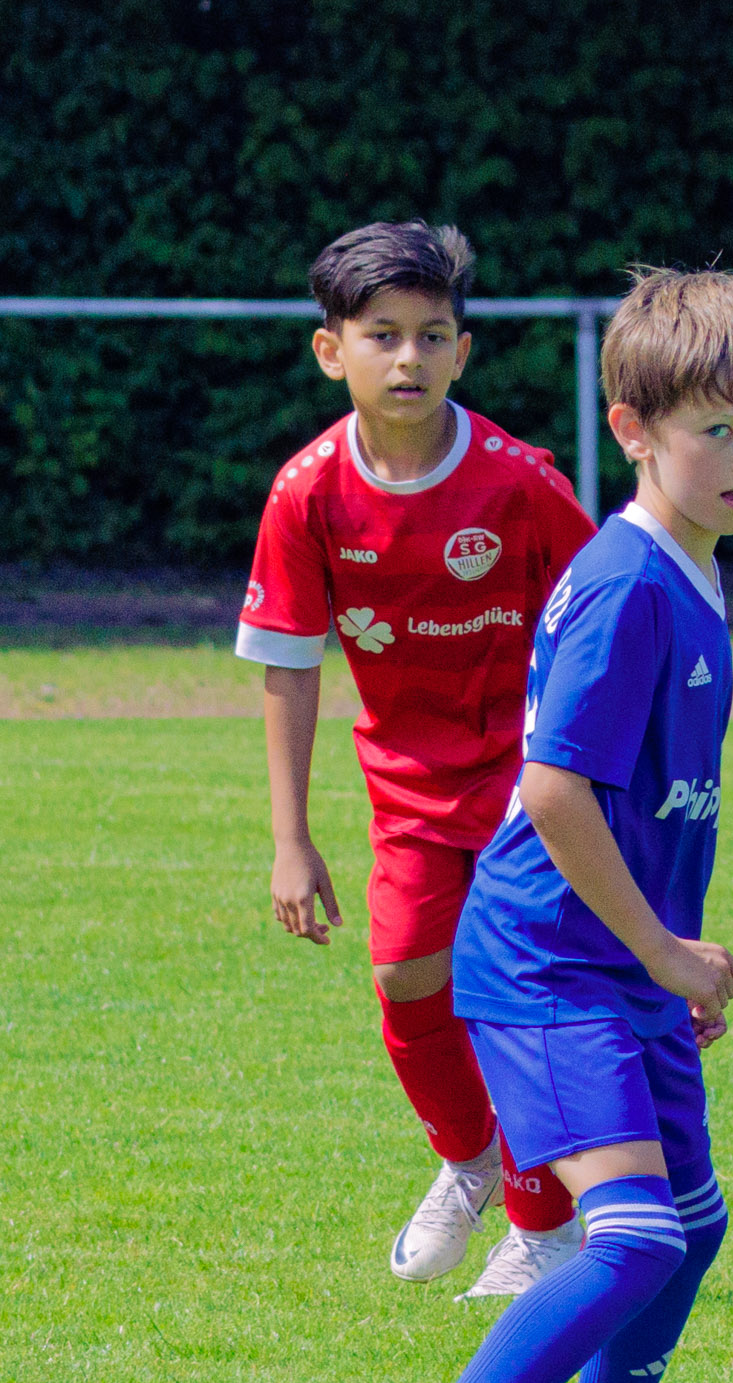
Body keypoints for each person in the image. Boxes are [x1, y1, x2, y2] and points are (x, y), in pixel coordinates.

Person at [347, 266, 733, 1383]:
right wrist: (658, 949)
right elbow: (551, 791)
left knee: (692, 1224)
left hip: (619, 963)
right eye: (716, 428)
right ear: (632, 429)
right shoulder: (626, 585)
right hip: (549, 964)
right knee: (636, 1237)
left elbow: (652, 804)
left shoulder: (689, 571)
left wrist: (664, 958)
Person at [239, 222, 593, 1299]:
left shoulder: (519, 483)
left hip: (533, 782)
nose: (409, 357)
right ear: (330, 351)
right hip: (410, 786)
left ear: (463, 352)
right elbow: (289, 664)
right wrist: (291, 840)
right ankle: (471, 1158)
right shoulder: (307, 493)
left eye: (432, 335)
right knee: (403, 975)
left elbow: (602, 619)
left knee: (509, 989)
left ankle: (545, 1226)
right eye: (382, 334)